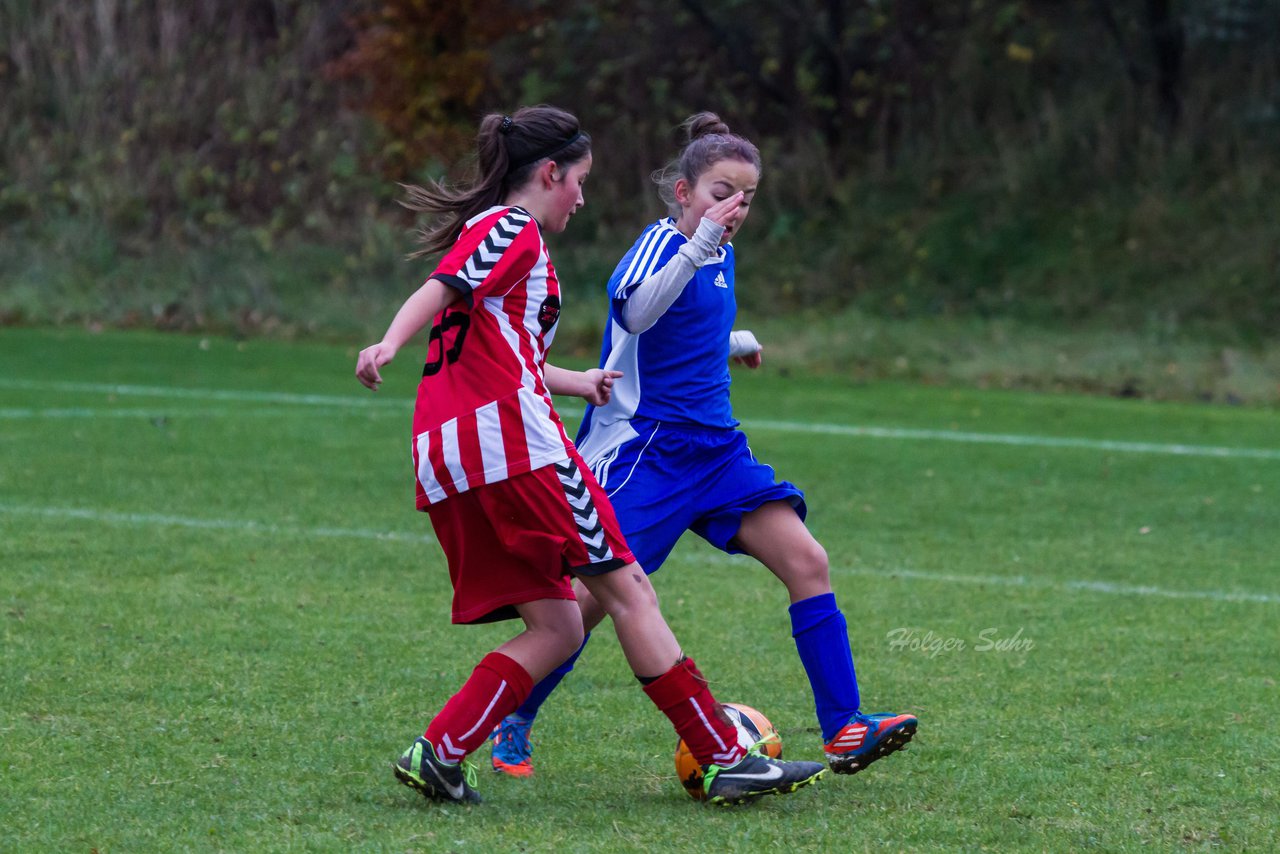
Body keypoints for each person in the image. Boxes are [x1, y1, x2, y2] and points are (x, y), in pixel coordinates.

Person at [355, 105, 826, 806]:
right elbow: (444, 286)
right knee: (630, 591)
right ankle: (726, 756)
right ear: (549, 173)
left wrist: (578, 381)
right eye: (578, 181)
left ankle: (441, 752)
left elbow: (506, 353)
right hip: (519, 449)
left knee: (558, 623)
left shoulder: (500, 237)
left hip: (450, 456)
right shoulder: (512, 229)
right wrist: (388, 342)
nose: (582, 196)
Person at [489, 112, 917, 779]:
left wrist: (735, 344)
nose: (734, 207)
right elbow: (633, 311)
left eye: (745, 196)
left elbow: (686, 328)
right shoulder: (662, 244)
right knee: (588, 604)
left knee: (808, 561)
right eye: (721, 192)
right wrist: (696, 244)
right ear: (684, 192)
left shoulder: (722, 253)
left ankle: (844, 728)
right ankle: (511, 719)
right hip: (647, 453)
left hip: (717, 455)